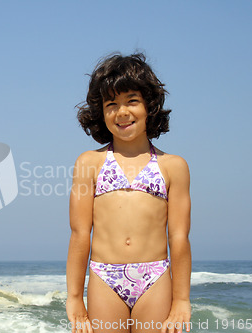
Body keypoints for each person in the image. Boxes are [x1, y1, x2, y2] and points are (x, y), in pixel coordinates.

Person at [66, 53, 191, 333]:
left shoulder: (174, 167)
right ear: (102, 112)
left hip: (155, 277)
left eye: (132, 101)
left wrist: (182, 299)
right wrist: (74, 297)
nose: (122, 112)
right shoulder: (89, 163)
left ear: (150, 106)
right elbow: (79, 233)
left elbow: (180, 237)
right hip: (104, 277)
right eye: (112, 104)